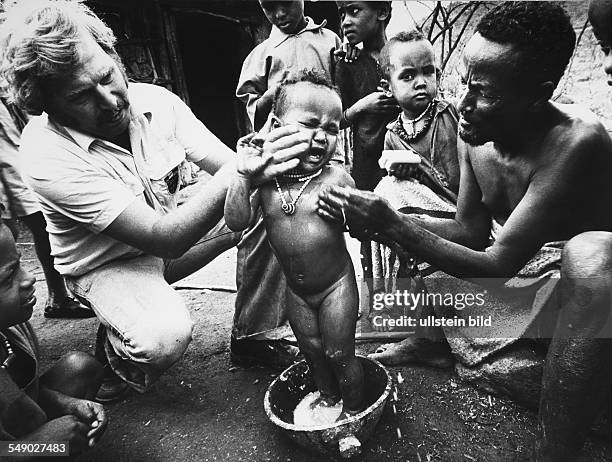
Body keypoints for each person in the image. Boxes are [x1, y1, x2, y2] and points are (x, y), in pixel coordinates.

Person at [318, 2, 612, 460]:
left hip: (571, 298)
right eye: (463, 84)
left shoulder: (577, 141)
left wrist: (398, 228)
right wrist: (390, 224)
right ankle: (441, 344)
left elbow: (498, 264)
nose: (463, 105)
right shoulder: (473, 128)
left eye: (483, 92)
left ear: (539, 94)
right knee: (403, 208)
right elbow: (470, 230)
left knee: (576, 321)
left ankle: (539, 383)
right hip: (513, 284)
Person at [0, 0, 312, 401]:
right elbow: (166, 237)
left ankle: (253, 334)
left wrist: (272, 156)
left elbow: (227, 166)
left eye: (107, 76)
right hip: (108, 265)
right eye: (81, 96)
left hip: (172, 236)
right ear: (47, 105)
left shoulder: (156, 101)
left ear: (114, 56)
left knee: (273, 196)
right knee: (161, 339)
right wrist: (245, 167)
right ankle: (116, 351)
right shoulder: (44, 155)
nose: (111, 101)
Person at [226, 71, 364, 418]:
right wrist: (242, 178)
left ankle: (355, 414)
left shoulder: (336, 178)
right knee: (313, 352)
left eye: (332, 129)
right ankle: (330, 401)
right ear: (275, 125)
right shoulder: (266, 182)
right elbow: (236, 221)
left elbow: (364, 227)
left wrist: (352, 215)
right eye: (310, 124)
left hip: (336, 286)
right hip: (297, 291)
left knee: (339, 354)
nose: (321, 138)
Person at [370, 30, 459, 326]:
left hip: (460, 209)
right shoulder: (393, 135)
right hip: (421, 209)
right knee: (387, 193)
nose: (421, 82)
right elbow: (393, 175)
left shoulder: (450, 115)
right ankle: (409, 311)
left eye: (427, 72)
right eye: (408, 76)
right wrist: (399, 171)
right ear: (388, 87)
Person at [0, 218, 107, 457]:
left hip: (12, 426)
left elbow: (16, 392)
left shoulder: (10, 329)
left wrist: (65, 403)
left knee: (82, 368)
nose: (29, 278)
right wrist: (40, 445)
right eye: (8, 278)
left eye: (19, 264)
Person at [0, 97, 92, 319]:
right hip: (9, 164)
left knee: (39, 228)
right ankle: (57, 297)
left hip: (19, 153)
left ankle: (58, 295)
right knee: (40, 227)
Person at [335, 1, 399, 311]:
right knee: (367, 229)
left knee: (404, 225)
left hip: (403, 158)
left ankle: (406, 304)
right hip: (366, 160)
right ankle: (377, 303)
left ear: (382, 13)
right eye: (342, 14)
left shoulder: (402, 55)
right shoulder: (347, 64)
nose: (346, 21)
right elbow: (334, 119)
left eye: (354, 11)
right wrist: (362, 108)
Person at [236, 0, 342, 133]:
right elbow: (256, 114)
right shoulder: (261, 55)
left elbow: (345, 94)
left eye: (286, 3)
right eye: (269, 7)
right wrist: (274, 93)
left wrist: (351, 57)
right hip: (283, 141)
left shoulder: (330, 41)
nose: (279, 14)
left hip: (323, 135)